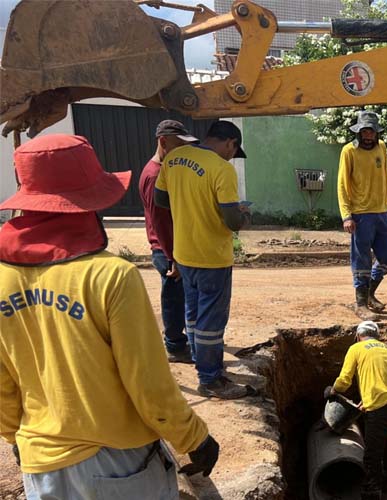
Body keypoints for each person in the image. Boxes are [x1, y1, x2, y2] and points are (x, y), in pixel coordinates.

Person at [0, 134, 219, 499]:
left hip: (41, 467)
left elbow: (3, 383)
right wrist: (193, 437)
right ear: (90, 199)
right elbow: (148, 385)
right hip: (120, 465)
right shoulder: (110, 276)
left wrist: (14, 435)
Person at [154, 120, 252, 400]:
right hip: (212, 256)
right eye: (234, 150)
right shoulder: (222, 169)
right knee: (211, 320)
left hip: (184, 253)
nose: (232, 155)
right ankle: (210, 379)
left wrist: (189, 202)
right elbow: (233, 221)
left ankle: (202, 363)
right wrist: (246, 215)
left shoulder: (173, 159)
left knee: (194, 312)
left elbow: (161, 200)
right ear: (230, 143)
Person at [139, 120, 198, 364]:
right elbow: (161, 222)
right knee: (173, 297)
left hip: (170, 247)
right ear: (163, 142)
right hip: (166, 249)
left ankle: (182, 340)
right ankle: (175, 345)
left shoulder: (164, 170)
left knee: (180, 295)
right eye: (178, 145)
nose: (182, 151)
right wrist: (173, 258)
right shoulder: (155, 175)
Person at [326, 321, 387, 499]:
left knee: (371, 454)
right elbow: (383, 379)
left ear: (358, 336)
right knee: (386, 445)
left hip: (380, 408)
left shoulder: (357, 348)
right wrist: (366, 401)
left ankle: (372, 492)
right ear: (376, 335)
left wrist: (333, 391)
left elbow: (345, 380)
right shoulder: (386, 349)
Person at [337, 111, 387, 320]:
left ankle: (370, 293)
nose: (367, 136)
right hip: (360, 215)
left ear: (376, 133)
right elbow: (342, 185)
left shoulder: (381, 148)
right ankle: (361, 303)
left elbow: (386, 177)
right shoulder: (349, 151)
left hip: (382, 212)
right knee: (361, 260)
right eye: (364, 131)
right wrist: (346, 215)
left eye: (371, 132)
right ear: (358, 132)